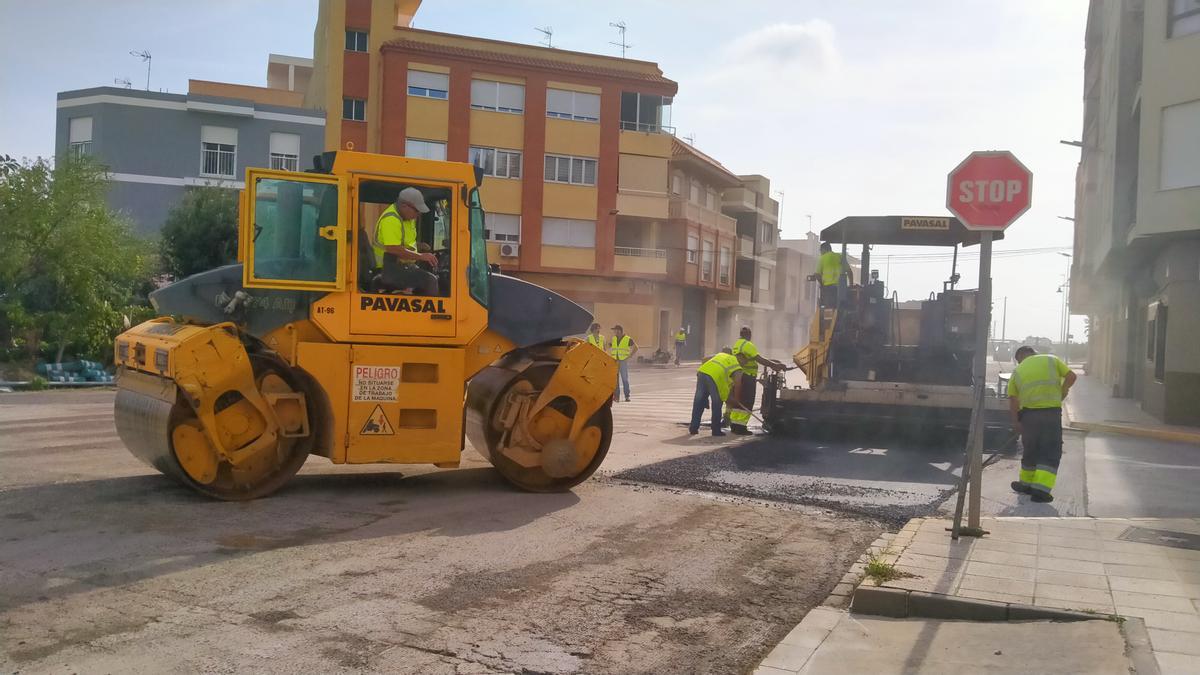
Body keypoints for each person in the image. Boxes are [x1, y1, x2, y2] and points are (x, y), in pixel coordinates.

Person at [1008, 345, 1077, 503]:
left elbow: (1013, 400)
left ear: (1020, 359)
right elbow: (1072, 377)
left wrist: (1016, 422)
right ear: (1034, 353)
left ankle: (1026, 484)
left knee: (1031, 449)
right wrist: (1063, 390)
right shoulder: (1051, 360)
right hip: (1050, 415)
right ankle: (1040, 491)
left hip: (1028, 417)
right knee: (1050, 451)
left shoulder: (1017, 372)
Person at [372, 187, 439, 296]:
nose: (419, 214)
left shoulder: (407, 218)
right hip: (388, 269)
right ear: (404, 206)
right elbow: (393, 248)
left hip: (401, 266)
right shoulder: (391, 220)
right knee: (430, 281)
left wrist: (419, 246)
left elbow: (402, 242)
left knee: (429, 276)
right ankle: (431, 312)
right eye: (416, 210)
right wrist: (421, 256)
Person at [727, 326, 788, 435]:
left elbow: (751, 359)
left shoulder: (737, 344)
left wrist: (773, 364)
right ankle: (741, 427)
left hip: (740, 376)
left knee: (739, 401)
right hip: (748, 377)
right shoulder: (748, 345)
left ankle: (735, 425)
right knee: (748, 401)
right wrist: (775, 365)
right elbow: (759, 359)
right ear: (749, 335)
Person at [689, 349, 753, 436]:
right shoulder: (737, 366)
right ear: (741, 358)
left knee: (698, 402)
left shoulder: (721, 355)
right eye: (744, 361)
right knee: (717, 404)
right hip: (714, 378)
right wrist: (737, 400)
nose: (744, 364)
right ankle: (716, 430)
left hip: (702, 373)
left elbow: (704, 359)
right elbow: (738, 385)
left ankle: (693, 428)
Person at [809, 242, 854, 308]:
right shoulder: (840, 256)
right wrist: (851, 285)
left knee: (828, 310)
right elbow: (850, 272)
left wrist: (822, 284)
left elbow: (817, 275)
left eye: (820, 250)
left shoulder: (822, 258)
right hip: (841, 289)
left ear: (824, 249)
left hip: (829, 289)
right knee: (842, 308)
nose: (820, 253)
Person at [609, 325, 638, 402]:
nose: (614, 332)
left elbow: (636, 347)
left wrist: (630, 356)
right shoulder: (614, 339)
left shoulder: (627, 339)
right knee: (616, 380)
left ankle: (627, 396)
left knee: (624, 379)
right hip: (615, 361)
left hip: (623, 361)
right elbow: (609, 346)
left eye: (615, 330)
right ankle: (616, 397)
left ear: (619, 331)